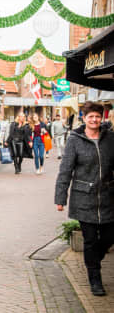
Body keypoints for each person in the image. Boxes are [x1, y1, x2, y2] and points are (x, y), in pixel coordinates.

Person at [55, 101, 114, 297]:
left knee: (108, 237)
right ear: (84, 118)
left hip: (107, 196)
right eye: (91, 116)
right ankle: (95, 280)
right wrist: (60, 198)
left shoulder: (110, 138)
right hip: (84, 198)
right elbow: (65, 170)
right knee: (89, 240)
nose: (95, 119)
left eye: (98, 116)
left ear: (102, 117)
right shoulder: (75, 139)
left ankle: (94, 259)